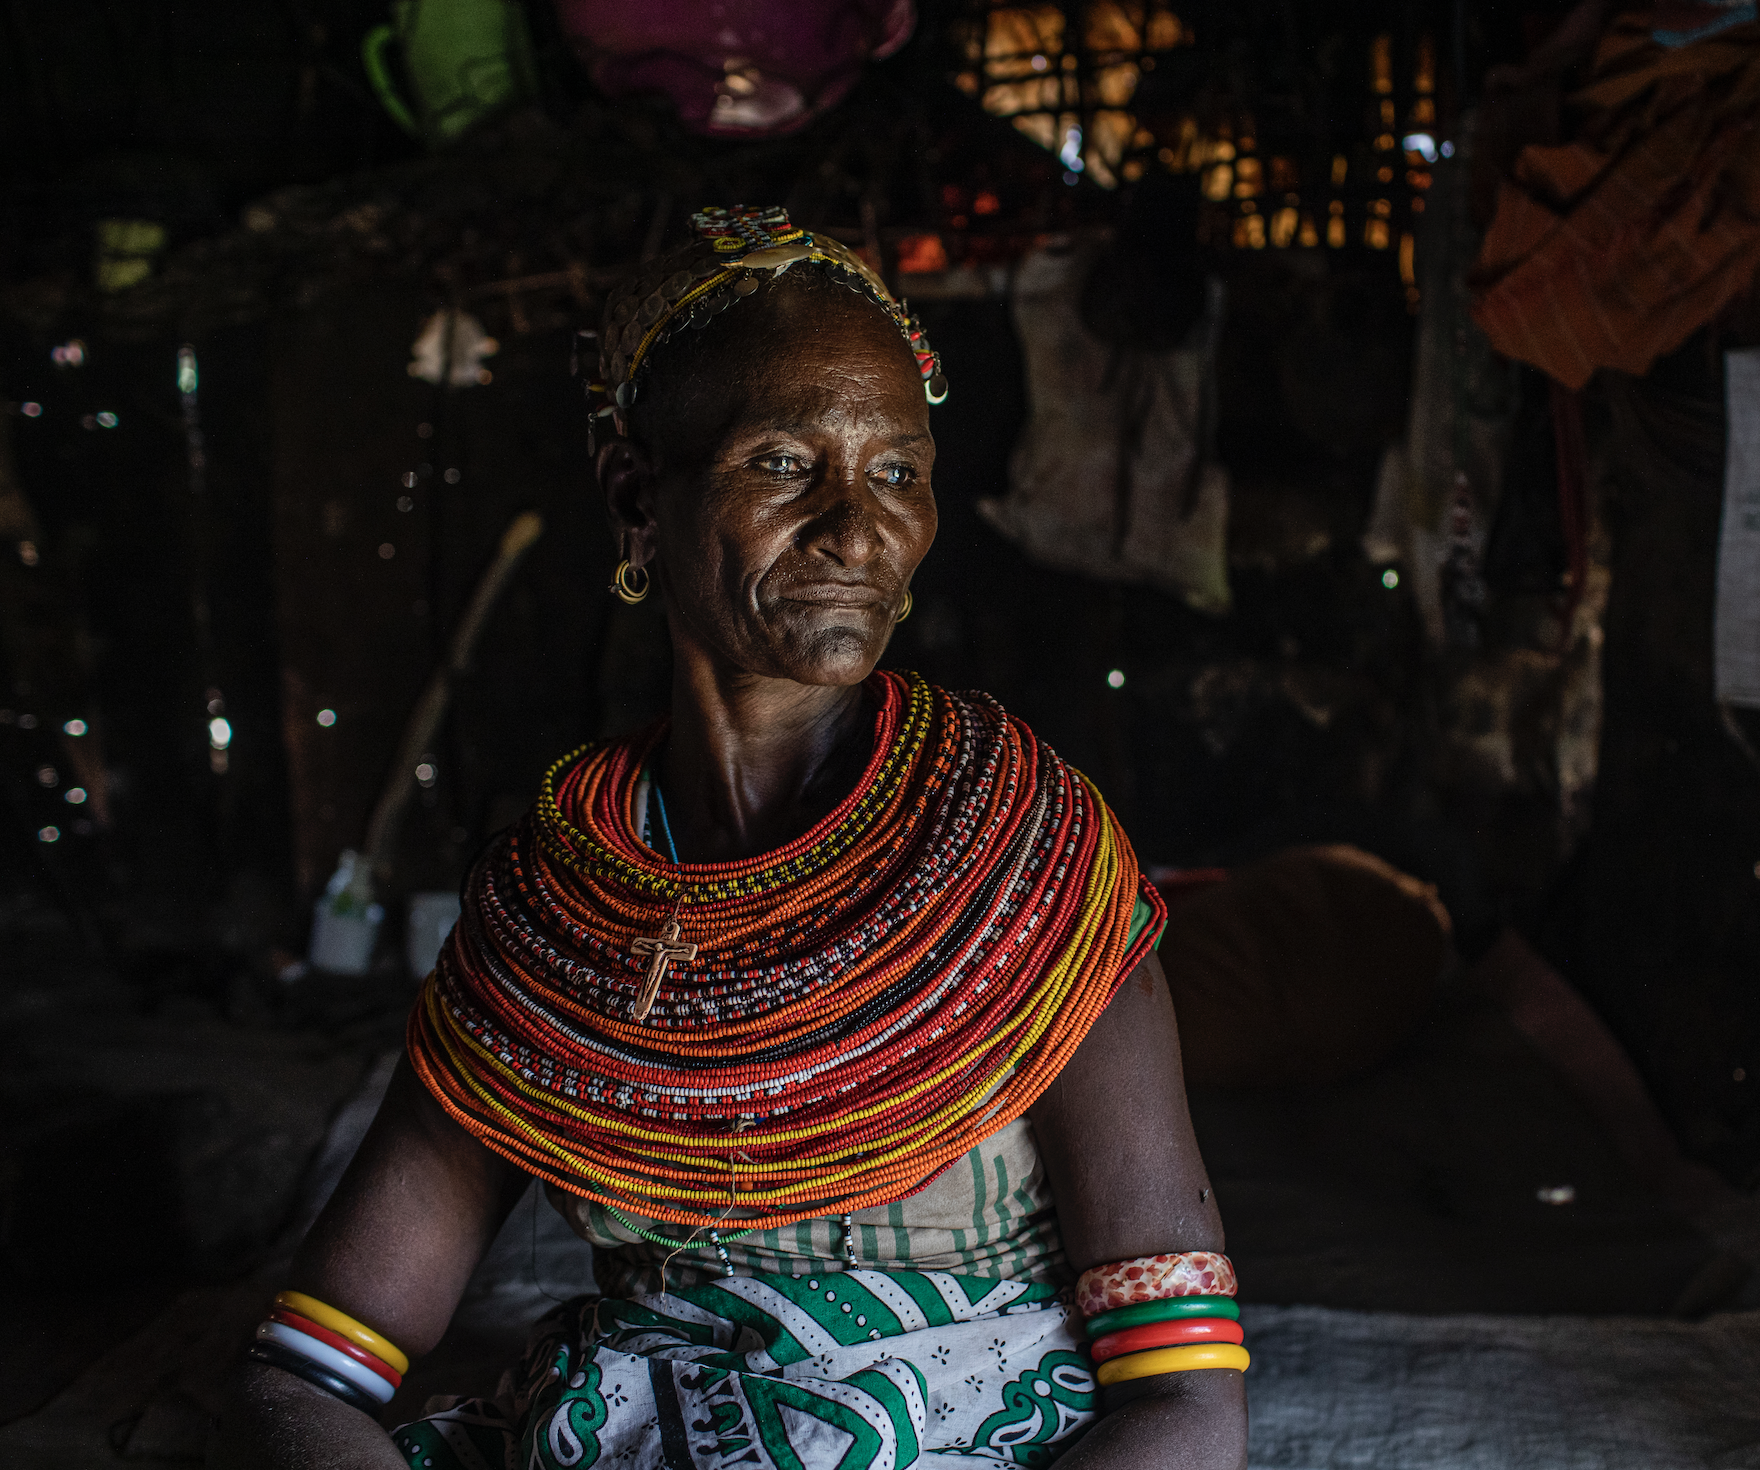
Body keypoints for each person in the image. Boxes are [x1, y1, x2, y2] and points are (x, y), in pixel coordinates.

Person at [213, 205, 1247, 1470]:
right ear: (635, 498)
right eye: (779, 462)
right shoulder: (552, 919)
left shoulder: (1024, 865)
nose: (855, 527)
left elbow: (1184, 1402)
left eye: (897, 469)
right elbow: (312, 1368)